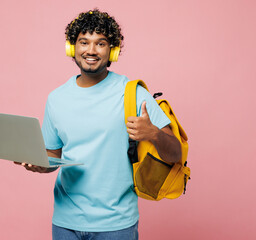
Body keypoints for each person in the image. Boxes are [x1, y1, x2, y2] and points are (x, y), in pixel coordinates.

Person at [14, 9, 181, 240]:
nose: (91, 51)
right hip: (65, 223)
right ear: (72, 48)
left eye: (100, 43)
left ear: (112, 51)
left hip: (117, 224)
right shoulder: (56, 99)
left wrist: (153, 134)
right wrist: (39, 164)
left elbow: (175, 153)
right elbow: (53, 155)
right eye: (84, 42)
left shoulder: (133, 94)